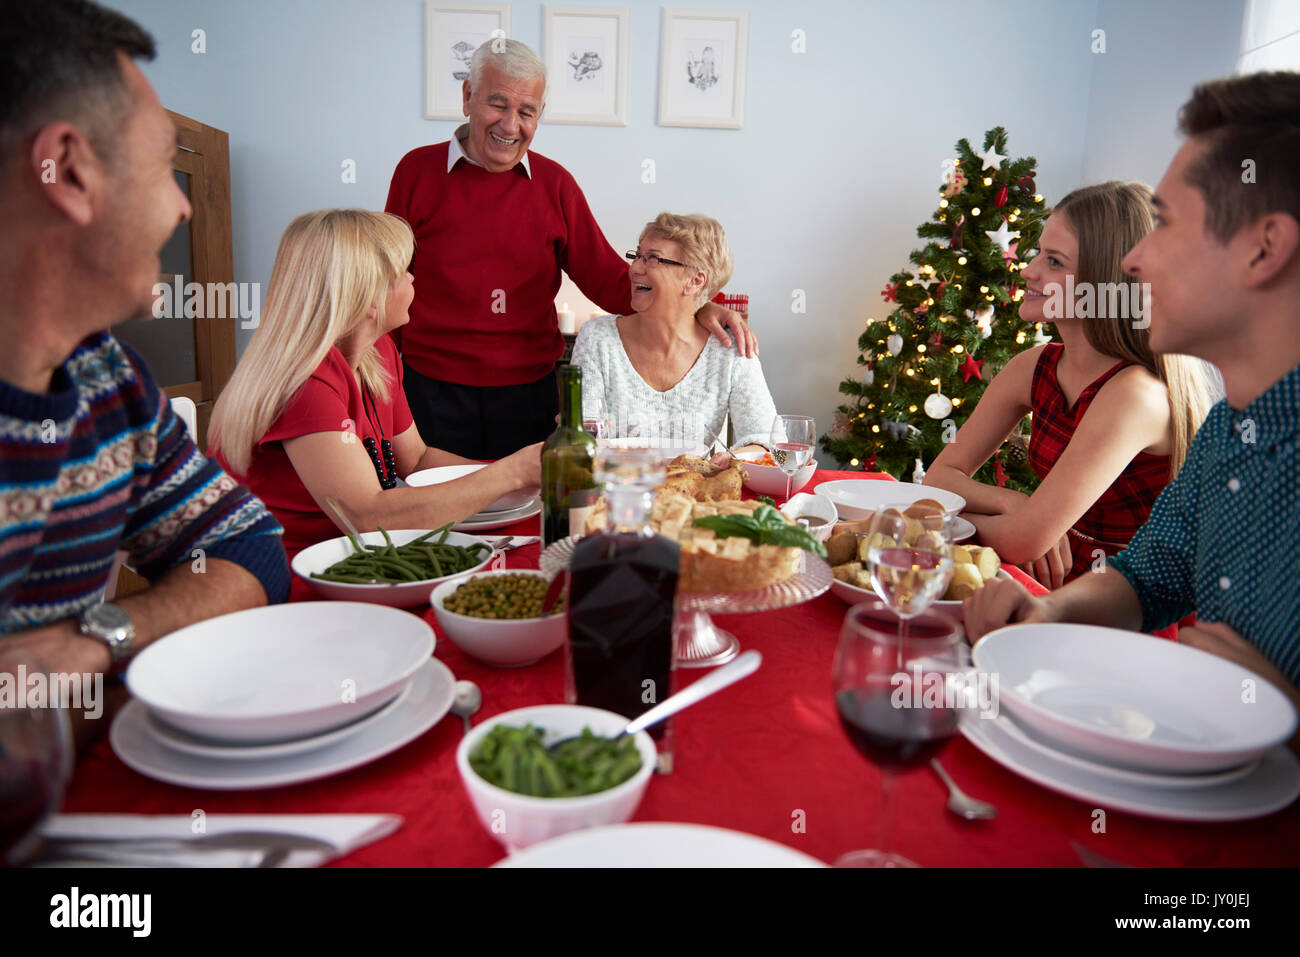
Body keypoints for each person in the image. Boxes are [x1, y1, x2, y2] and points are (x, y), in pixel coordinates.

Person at [965, 72, 1300, 731]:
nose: (1135, 261)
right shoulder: (1226, 430)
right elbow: (1146, 580)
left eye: (1166, 223)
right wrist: (1047, 612)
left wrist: (1285, 715)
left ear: (1264, 249)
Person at [0, 1, 289, 680]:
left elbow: (248, 547)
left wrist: (97, 641)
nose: (184, 206)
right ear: (69, 172)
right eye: (164, 164)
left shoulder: (110, 380)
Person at [384, 38, 755, 461]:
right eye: (497, 104)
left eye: (526, 112)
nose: (510, 125)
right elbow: (385, 282)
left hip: (527, 394)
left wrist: (697, 306)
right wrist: (381, 375)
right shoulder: (416, 172)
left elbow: (612, 281)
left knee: (530, 499)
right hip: (429, 387)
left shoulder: (555, 185)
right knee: (434, 497)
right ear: (468, 97)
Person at [924, 182, 1214, 589]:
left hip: (1127, 603)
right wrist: (1011, 502)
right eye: (1038, 252)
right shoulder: (1034, 367)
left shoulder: (1135, 393)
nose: (1028, 270)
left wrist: (942, 520)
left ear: (1108, 282)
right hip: (1058, 583)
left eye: (1054, 262)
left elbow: (1023, 541)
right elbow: (939, 478)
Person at [209, 209, 541, 560]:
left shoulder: (378, 353)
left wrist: (526, 479)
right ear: (367, 293)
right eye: (404, 271)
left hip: (351, 558)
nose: (413, 279)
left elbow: (417, 459)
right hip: (282, 570)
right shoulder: (305, 381)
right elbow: (366, 518)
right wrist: (513, 472)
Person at [571, 213, 777, 457]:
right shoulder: (597, 338)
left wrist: (732, 459)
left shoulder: (731, 350)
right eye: (637, 256)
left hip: (693, 483)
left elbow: (768, 442)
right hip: (616, 481)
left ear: (695, 280)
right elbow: (581, 439)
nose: (634, 268)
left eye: (653, 259)